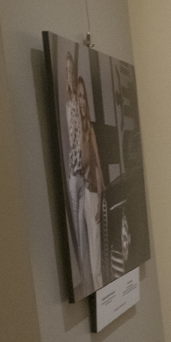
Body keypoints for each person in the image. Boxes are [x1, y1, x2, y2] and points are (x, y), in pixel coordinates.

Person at [62, 50, 91, 293]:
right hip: (73, 176)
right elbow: (71, 141)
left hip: (82, 175)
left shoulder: (79, 109)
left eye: (72, 71)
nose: (70, 76)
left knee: (82, 230)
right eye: (68, 72)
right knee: (76, 227)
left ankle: (86, 276)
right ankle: (81, 278)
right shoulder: (67, 106)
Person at [76, 76, 105, 290]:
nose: (83, 100)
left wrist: (101, 202)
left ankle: (101, 293)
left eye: (84, 96)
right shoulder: (76, 131)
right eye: (79, 96)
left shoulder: (89, 130)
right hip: (82, 194)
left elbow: (97, 164)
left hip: (93, 194)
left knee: (95, 259)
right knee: (83, 253)